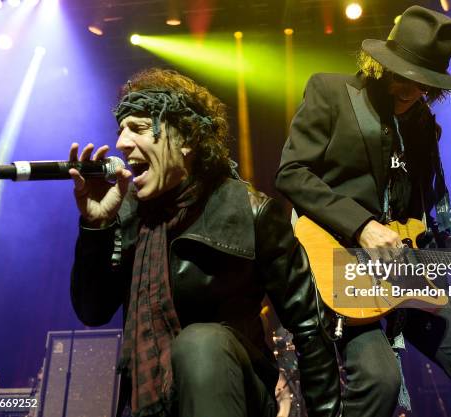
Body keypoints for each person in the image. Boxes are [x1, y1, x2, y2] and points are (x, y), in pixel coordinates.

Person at [276, 5, 451, 417]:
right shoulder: (332, 92)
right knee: (381, 383)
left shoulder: (424, 130)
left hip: (407, 275)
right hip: (343, 268)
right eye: (400, 75)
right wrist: (361, 225)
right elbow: (292, 173)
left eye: (420, 83)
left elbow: (427, 229)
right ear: (381, 64)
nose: (406, 89)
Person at [68, 68, 341, 417]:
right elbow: (92, 311)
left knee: (201, 343)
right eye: (120, 129)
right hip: (153, 403)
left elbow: (310, 328)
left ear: (186, 139)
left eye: (137, 128)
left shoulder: (250, 212)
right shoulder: (127, 214)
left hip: (236, 395)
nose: (121, 143)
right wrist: (96, 226)